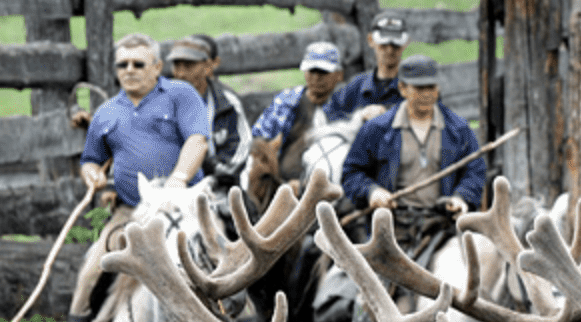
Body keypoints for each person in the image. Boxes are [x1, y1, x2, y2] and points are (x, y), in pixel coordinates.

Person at [38, 32, 209, 322]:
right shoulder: (107, 113)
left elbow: (198, 140)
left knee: (224, 261)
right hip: (132, 212)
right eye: (123, 65)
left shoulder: (181, 96)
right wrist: (93, 175)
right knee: (90, 271)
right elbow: (90, 159)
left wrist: (178, 181)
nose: (129, 71)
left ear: (157, 67)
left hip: (186, 204)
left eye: (138, 64)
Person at [340, 54, 484, 233]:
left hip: (443, 225)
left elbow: (475, 171)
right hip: (392, 226)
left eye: (431, 87)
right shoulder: (376, 129)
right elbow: (351, 173)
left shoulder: (459, 129)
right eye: (419, 88)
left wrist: (461, 197)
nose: (426, 94)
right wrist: (372, 192)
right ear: (402, 88)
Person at [251, 40, 347, 183]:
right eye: (311, 71)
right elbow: (260, 137)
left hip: (336, 179)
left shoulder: (347, 103)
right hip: (284, 182)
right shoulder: (287, 101)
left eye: (323, 72)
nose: (316, 77)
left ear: (339, 75)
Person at [167, 33, 251, 192]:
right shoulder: (161, 103)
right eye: (177, 66)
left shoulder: (227, 103)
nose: (181, 73)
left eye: (189, 66)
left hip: (218, 185)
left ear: (207, 67)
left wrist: (215, 176)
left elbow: (240, 148)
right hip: (172, 184)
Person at [325, 11, 408, 123]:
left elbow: (431, 116)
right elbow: (328, 115)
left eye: (395, 45)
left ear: (405, 43)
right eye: (383, 44)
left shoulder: (416, 86)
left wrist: (387, 113)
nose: (389, 50)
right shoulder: (356, 86)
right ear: (370, 40)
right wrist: (359, 116)